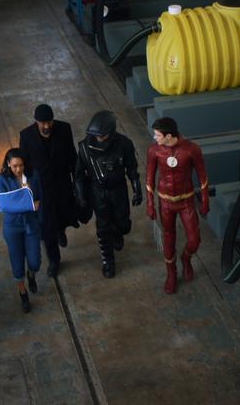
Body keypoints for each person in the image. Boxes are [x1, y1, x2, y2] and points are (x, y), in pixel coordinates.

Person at [146, 117, 210, 294]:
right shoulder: (154, 151)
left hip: (186, 200)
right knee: (168, 236)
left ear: (168, 136)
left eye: (158, 135)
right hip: (165, 201)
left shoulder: (191, 149)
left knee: (194, 240)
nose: (155, 137)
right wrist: (150, 203)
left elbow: (203, 176)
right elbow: (149, 179)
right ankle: (171, 273)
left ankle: (186, 258)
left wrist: (205, 200)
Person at [74, 110, 142, 278]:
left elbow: (132, 169)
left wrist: (137, 188)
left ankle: (118, 232)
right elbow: (79, 175)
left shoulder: (125, 144)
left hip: (118, 190)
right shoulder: (84, 148)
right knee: (103, 228)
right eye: (96, 136)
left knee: (123, 224)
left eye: (102, 136)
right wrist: (81, 196)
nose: (99, 139)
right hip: (98, 192)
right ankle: (107, 261)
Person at [19, 104, 78, 278]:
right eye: (42, 123)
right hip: (42, 190)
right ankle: (54, 260)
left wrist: (77, 181)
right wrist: (27, 193)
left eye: (49, 122)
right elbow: (23, 167)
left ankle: (61, 230)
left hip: (62, 186)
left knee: (62, 216)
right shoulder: (26, 136)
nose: (46, 126)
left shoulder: (64, 129)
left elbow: (71, 156)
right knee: (46, 227)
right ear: (36, 122)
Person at [0, 148, 43, 313]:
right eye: (14, 166)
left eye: (21, 165)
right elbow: (4, 206)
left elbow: (39, 198)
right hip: (12, 226)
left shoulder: (33, 175)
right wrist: (28, 204)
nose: (18, 169)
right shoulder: (2, 179)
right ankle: (23, 294)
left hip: (30, 223)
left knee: (35, 261)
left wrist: (34, 206)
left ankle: (31, 274)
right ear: (8, 164)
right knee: (17, 263)